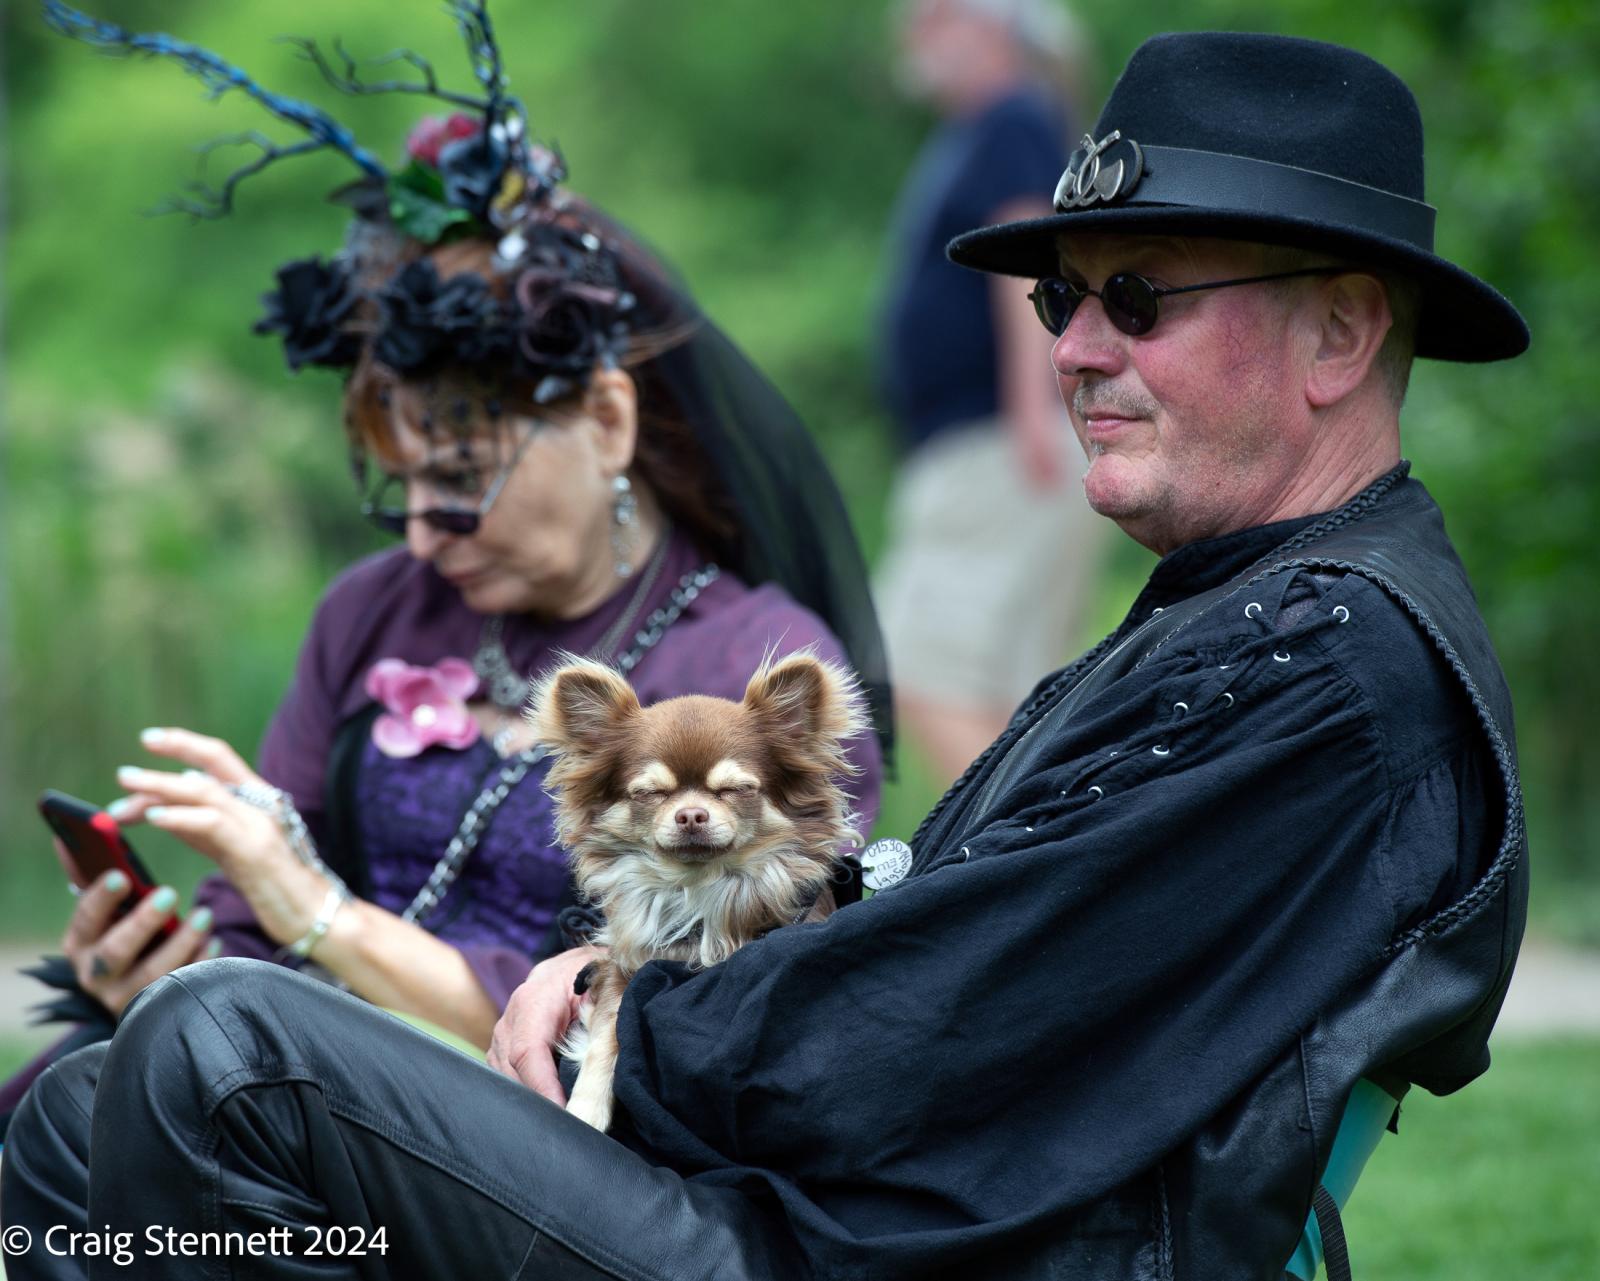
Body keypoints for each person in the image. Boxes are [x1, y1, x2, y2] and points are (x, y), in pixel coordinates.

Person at [2, 27, 1530, 1281]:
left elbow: (934, 1025)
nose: (1070, 347)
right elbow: (948, 933)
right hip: (847, 1214)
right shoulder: (1257, 606)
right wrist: (624, 964)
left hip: (865, 1254)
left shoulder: (1332, 667)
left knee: (229, 1052)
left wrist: (626, 1016)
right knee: (76, 1119)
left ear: (1339, 336)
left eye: (1138, 297)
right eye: (1067, 296)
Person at [0, 5, 888, 1137]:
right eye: (400, 485)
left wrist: (322, 913)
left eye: (462, 476)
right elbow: (244, 933)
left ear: (608, 421)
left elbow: (701, 1011)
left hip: (514, 1140)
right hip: (261, 1080)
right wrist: (157, 967)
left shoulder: (740, 672)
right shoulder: (374, 610)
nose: (423, 532)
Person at [875, 0, 1108, 782]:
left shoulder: (1012, 120)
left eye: (936, 15)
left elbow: (1028, 267)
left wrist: (1040, 412)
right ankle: (1051, 873)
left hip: (999, 445)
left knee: (922, 665)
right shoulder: (988, 130)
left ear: (996, 26)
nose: (914, 33)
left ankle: (1020, 867)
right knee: (1011, 693)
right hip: (988, 442)